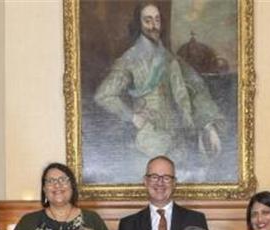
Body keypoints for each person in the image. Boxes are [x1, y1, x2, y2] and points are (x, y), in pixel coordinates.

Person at [94, 3, 224, 172]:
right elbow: (104, 95)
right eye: (148, 21)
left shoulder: (170, 59)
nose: (153, 26)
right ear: (138, 24)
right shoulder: (129, 60)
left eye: (157, 20)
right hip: (149, 143)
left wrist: (209, 126)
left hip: (178, 144)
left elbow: (196, 90)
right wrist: (132, 116)